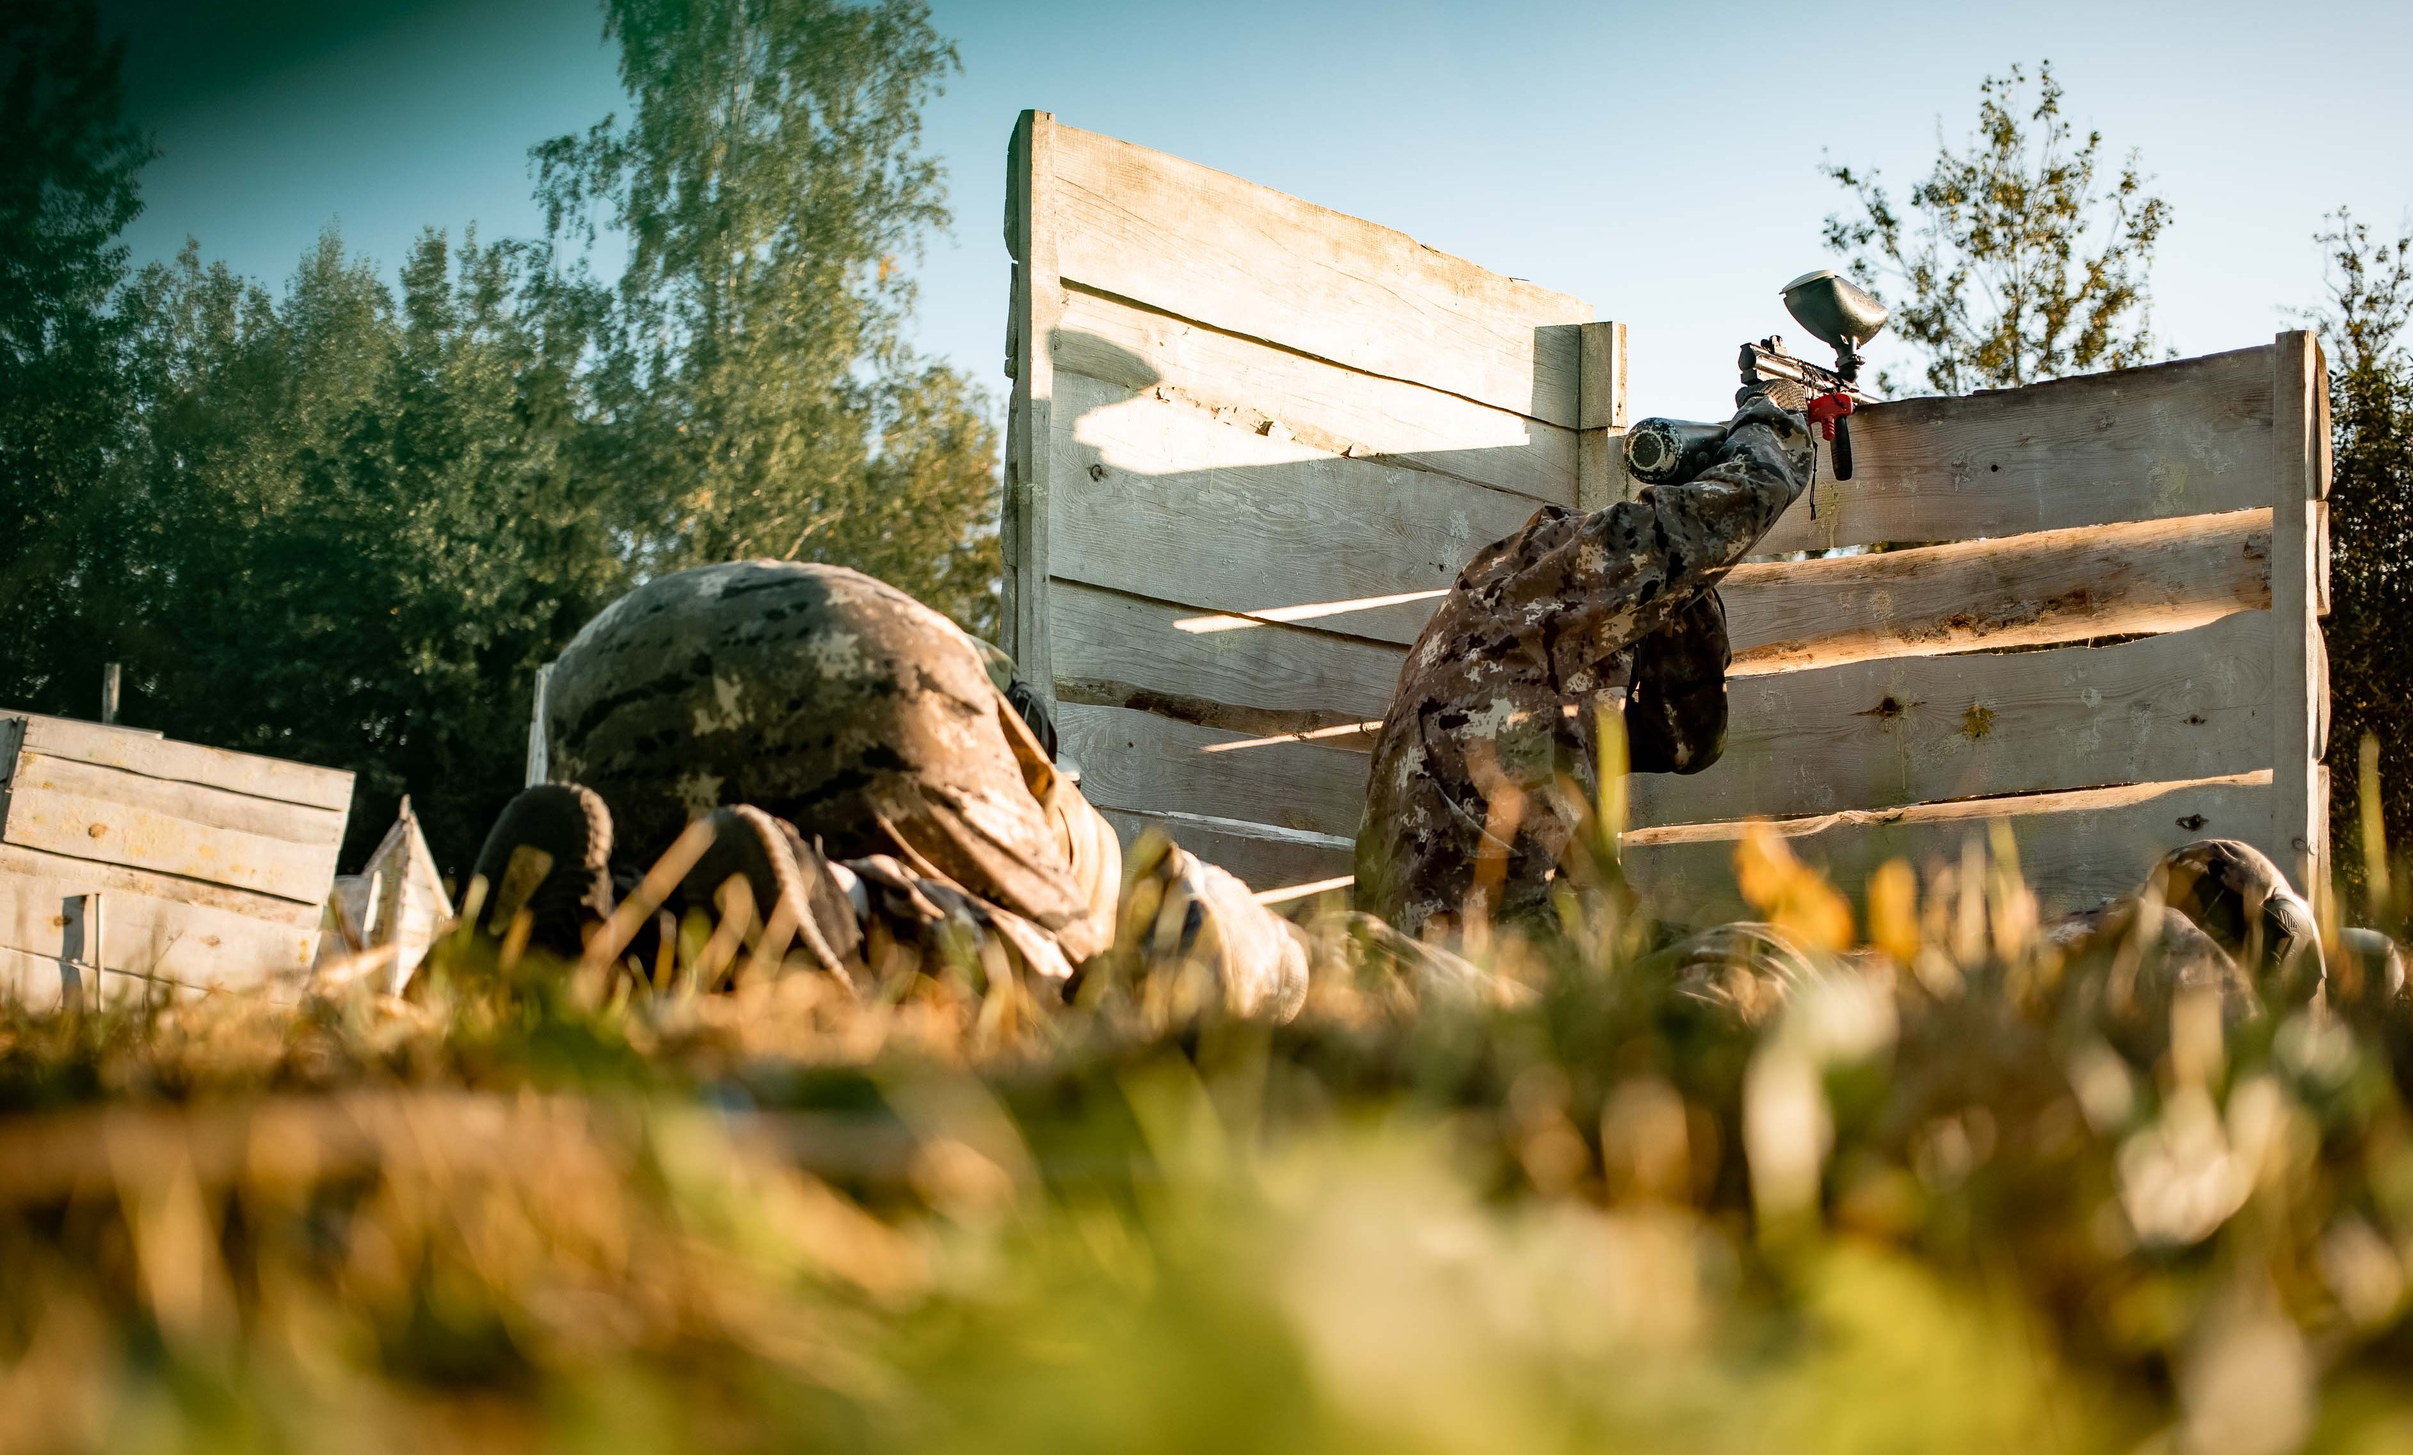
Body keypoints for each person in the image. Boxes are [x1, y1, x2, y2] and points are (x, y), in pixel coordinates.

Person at [465, 559, 1307, 1017]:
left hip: (614, 665)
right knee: (1054, 978)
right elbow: (1183, 930)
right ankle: (846, 903)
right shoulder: (1070, 824)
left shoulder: (1007, 737)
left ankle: (600, 926)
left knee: (672, 899)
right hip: (866, 666)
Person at [1353, 392, 1817, 936]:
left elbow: (1686, 742)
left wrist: (1681, 606)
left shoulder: (1501, 637)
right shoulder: (1562, 577)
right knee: (1750, 959)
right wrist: (1773, 419)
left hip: (1424, 944)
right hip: (1495, 956)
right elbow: (1735, 504)